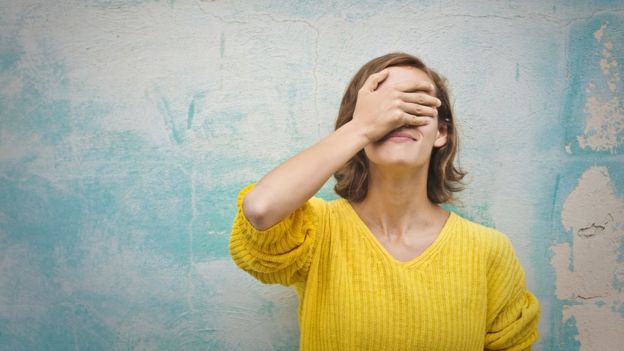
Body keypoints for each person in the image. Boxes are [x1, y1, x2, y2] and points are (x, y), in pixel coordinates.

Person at [229, 52, 540, 350]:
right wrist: (363, 127)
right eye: (384, 106)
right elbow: (260, 209)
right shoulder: (317, 231)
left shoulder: (488, 250)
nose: (398, 117)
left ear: (441, 132)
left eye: (416, 105)